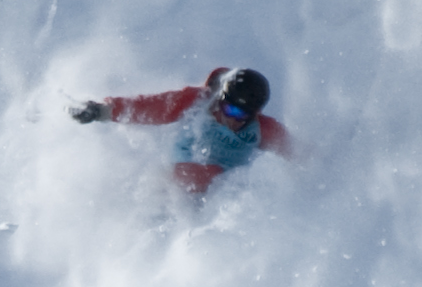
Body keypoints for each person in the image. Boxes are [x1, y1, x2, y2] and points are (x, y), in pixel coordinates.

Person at [71, 66, 292, 196]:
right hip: (177, 182)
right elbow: (150, 108)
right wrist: (100, 111)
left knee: (235, 185)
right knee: (175, 178)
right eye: (229, 108)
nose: (232, 119)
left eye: (242, 115)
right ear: (220, 99)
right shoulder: (197, 103)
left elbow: (302, 155)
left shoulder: (262, 130)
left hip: (221, 192)